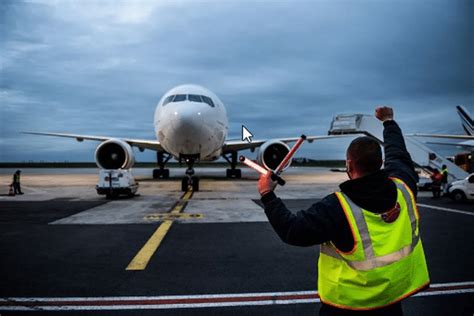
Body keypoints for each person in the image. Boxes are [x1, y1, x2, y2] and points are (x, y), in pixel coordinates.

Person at [258, 106, 429, 315]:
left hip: (347, 306)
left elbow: (292, 230)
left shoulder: (338, 207)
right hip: (391, 301)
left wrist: (267, 194)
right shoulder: (404, 186)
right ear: (381, 163)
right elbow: (399, 154)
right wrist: (389, 122)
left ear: (349, 165)